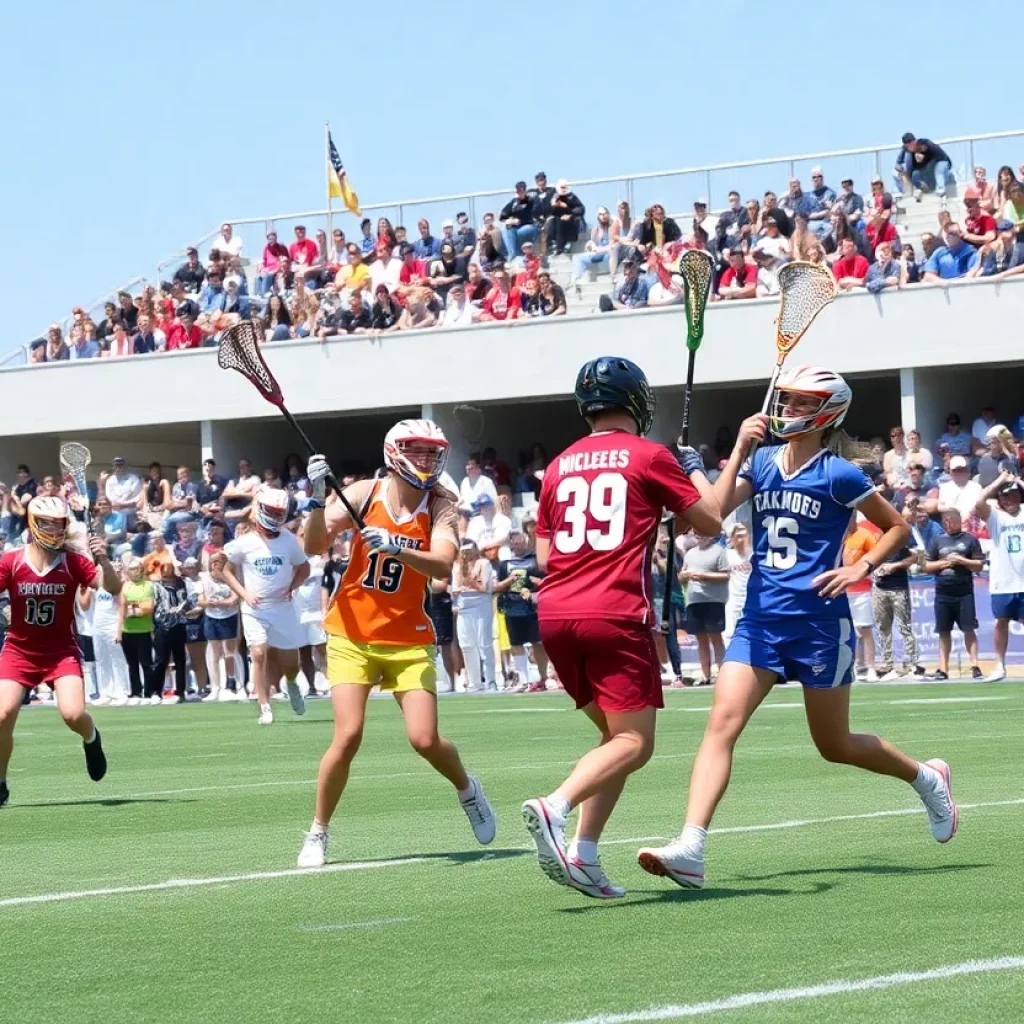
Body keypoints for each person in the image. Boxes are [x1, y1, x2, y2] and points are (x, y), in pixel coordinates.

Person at [638, 365, 959, 892]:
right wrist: (732, 453)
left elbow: (898, 526)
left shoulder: (840, 474)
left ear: (828, 411)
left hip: (817, 623)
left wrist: (862, 566)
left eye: (803, 404)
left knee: (833, 745)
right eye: (788, 401)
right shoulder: (761, 461)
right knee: (721, 724)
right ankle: (692, 846)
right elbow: (713, 514)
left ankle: (926, 777)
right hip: (761, 619)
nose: (788, 410)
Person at [520, 356, 722, 899]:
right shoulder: (650, 455)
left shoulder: (559, 463)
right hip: (613, 612)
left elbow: (543, 553)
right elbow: (710, 521)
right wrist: (691, 467)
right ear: (635, 400)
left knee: (613, 737)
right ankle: (556, 807)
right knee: (635, 741)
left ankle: (585, 855)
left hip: (556, 613)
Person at [297, 419, 496, 868]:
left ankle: (468, 789)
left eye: (431, 452)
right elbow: (312, 546)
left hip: (407, 638)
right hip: (352, 633)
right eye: (416, 450)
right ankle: (318, 831)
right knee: (347, 735)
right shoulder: (366, 492)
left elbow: (443, 566)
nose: (425, 460)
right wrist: (314, 499)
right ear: (394, 452)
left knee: (424, 739)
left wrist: (395, 547)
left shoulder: (441, 503)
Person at [0, 498, 120, 807]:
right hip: (19, 651)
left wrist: (103, 560)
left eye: (59, 522)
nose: (54, 528)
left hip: (60, 652)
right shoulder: (12, 561)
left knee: (73, 714)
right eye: (47, 522)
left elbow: (114, 589)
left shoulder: (73, 562)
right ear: (33, 523)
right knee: (2, 715)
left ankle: (92, 738)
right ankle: (0, 782)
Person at [221, 487, 309, 725]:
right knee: (258, 653)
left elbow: (304, 568)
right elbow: (226, 571)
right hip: (254, 608)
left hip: (283, 607)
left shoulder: (289, 541)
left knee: (291, 663)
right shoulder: (244, 543)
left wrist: (293, 586)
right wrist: (244, 594)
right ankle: (264, 706)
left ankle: (291, 683)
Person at [973, 473, 1024, 682]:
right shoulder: (995, 516)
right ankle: (1000, 666)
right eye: (1004, 497)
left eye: (1012, 495)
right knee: (1000, 623)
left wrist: (1018, 481)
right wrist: (999, 481)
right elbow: (978, 502)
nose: (1008, 500)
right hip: (1002, 581)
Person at [924, 509, 984, 681]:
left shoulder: (970, 539)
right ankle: (943, 668)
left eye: (952, 520)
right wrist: (945, 563)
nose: (949, 524)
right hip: (943, 592)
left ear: (959, 520)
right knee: (943, 631)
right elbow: (926, 566)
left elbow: (979, 565)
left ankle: (975, 666)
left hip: (964, 592)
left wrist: (962, 561)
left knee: (969, 629)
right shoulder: (937, 540)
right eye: (946, 521)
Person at [494, 529, 548, 692]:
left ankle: (543, 678)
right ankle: (523, 680)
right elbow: (497, 587)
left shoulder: (535, 560)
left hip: (532, 607)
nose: (517, 544)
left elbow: (548, 581)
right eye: (514, 542)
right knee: (516, 643)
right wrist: (510, 580)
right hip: (512, 606)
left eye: (519, 541)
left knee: (537, 642)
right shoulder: (505, 563)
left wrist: (535, 583)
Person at [871, 538, 925, 681]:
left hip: (899, 590)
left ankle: (913, 663)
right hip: (879, 589)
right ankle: (887, 664)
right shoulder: (876, 546)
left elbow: (916, 557)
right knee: (883, 627)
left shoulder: (900, 545)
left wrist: (894, 566)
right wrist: (875, 568)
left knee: (904, 626)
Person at [680, 534, 729, 686]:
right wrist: (684, 576)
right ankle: (705, 675)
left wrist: (703, 576)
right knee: (701, 639)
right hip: (694, 600)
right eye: (696, 533)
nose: (698, 536)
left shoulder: (719, 551)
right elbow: (681, 576)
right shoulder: (690, 554)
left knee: (716, 637)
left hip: (714, 600)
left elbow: (726, 575)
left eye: (701, 532)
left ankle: (722, 674)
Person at [452, 539, 496, 692]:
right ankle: (474, 682)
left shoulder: (483, 563)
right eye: (464, 552)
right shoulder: (457, 565)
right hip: (464, 606)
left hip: (481, 604)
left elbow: (484, 587)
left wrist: (471, 583)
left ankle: (491, 681)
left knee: (485, 643)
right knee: (466, 644)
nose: (467, 555)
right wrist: (467, 585)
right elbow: (456, 588)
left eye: (469, 551)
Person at [199, 551, 243, 701]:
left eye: (218, 561)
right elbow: (201, 600)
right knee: (214, 653)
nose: (215, 564)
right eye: (213, 561)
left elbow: (235, 598)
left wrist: (220, 602)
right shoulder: (203, 578)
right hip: (211, 617)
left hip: (229, 616)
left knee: (230, 652)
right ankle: (215, 688)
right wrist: (210, 603)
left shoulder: (231, 578)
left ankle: (237, 685)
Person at [116, 557, 156, 704]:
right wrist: (118, 631)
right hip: (128, 631)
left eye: (136, 568)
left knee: (146, 663)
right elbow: (121, 609)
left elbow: (148, 607)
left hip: (144, 630)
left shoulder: (148, 586)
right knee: (132, 664)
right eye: (131, 569)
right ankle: (135, 692)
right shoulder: (125, 586)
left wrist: (133, 610)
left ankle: (149, 692)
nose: (134, 572)